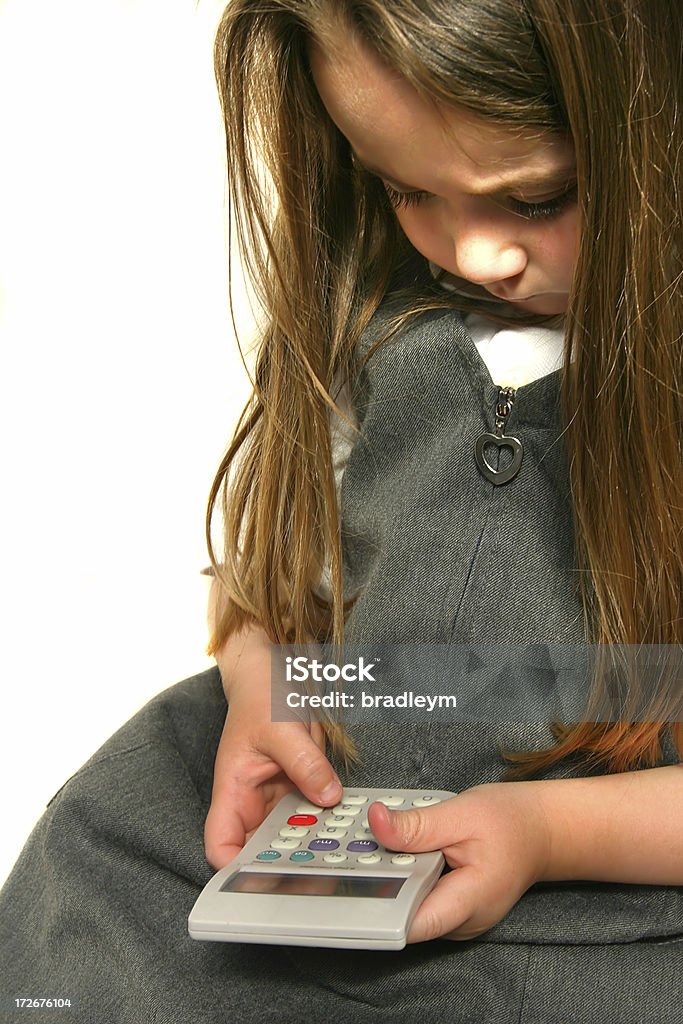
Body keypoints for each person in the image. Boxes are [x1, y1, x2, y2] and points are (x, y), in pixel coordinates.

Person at [2, 1, 682, 1021]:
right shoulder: (370, 322)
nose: (475, 253)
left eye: (539, 196)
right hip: (325, 826)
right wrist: (258, 684)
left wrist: (548, 831)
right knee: (94, 876)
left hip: (606, 881)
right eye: (405, 187)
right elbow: (269, 581)